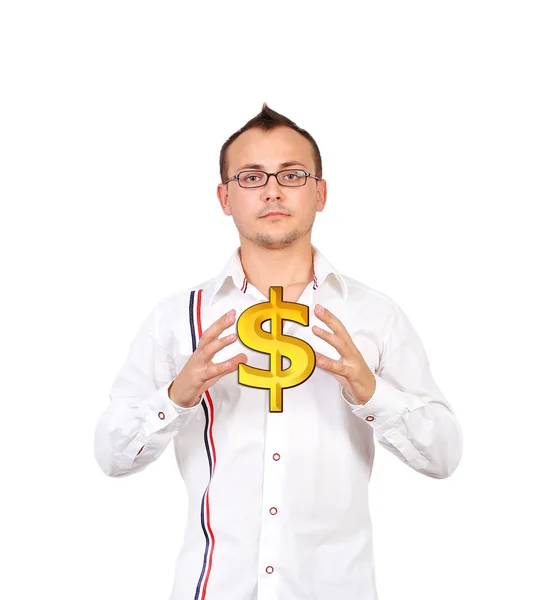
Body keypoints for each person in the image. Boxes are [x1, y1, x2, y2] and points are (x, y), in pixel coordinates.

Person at [94, 103, 463, 600]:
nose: (271, 190)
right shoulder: (178, 318)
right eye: (250, 177)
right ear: (224, 198)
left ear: (321, 192)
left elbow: (443, 457)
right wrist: (178, 395)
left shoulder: (373, 315)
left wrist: (372, 393)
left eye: (291, 174)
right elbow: (112, 458)